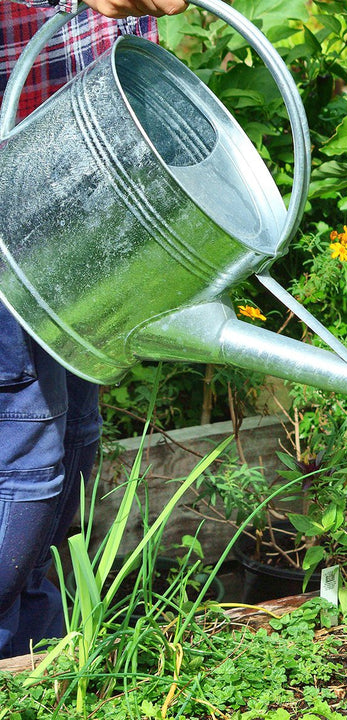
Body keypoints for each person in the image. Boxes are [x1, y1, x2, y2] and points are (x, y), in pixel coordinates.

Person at [0, 0, 186, 659]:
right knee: (23, 450)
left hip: (88, 168)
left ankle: (32, 653)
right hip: (9, 179)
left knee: (72, 438)